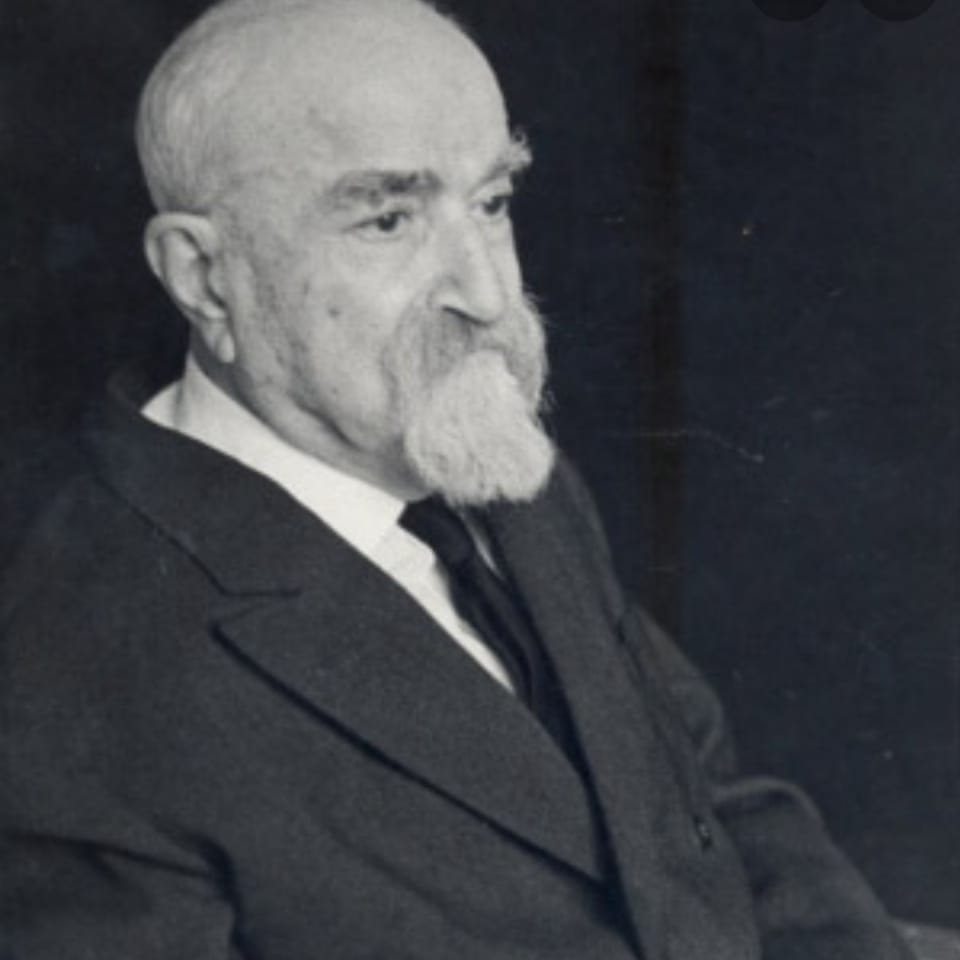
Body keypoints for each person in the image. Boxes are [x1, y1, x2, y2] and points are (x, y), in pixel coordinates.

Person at [0, 0, 915, 957]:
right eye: (388, 219)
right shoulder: (72, 681)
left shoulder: (493, 465)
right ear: (202, 277)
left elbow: (710, 808)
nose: (489, 292)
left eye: (492, 203)